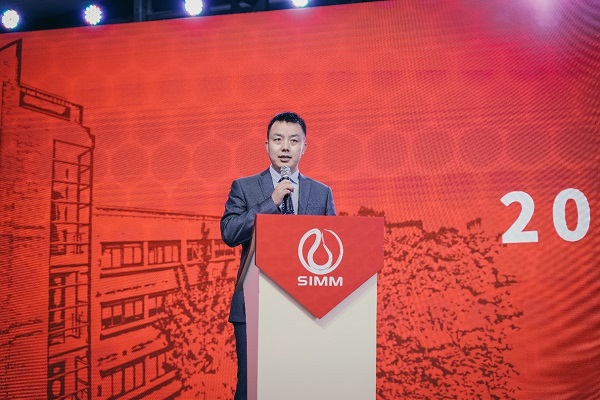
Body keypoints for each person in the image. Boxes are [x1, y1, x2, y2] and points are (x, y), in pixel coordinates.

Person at [220, 111, 336, 399]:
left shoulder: (321, 193)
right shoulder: (244, 187)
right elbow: (230, 233)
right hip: (255, 304)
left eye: (293, 141)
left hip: (306, 306)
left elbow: (335, 246)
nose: (285, 147)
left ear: (304, 148)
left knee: (300, 388)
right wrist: (270, 202)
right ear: (267, 145)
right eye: (278, 140)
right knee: (252, 388)